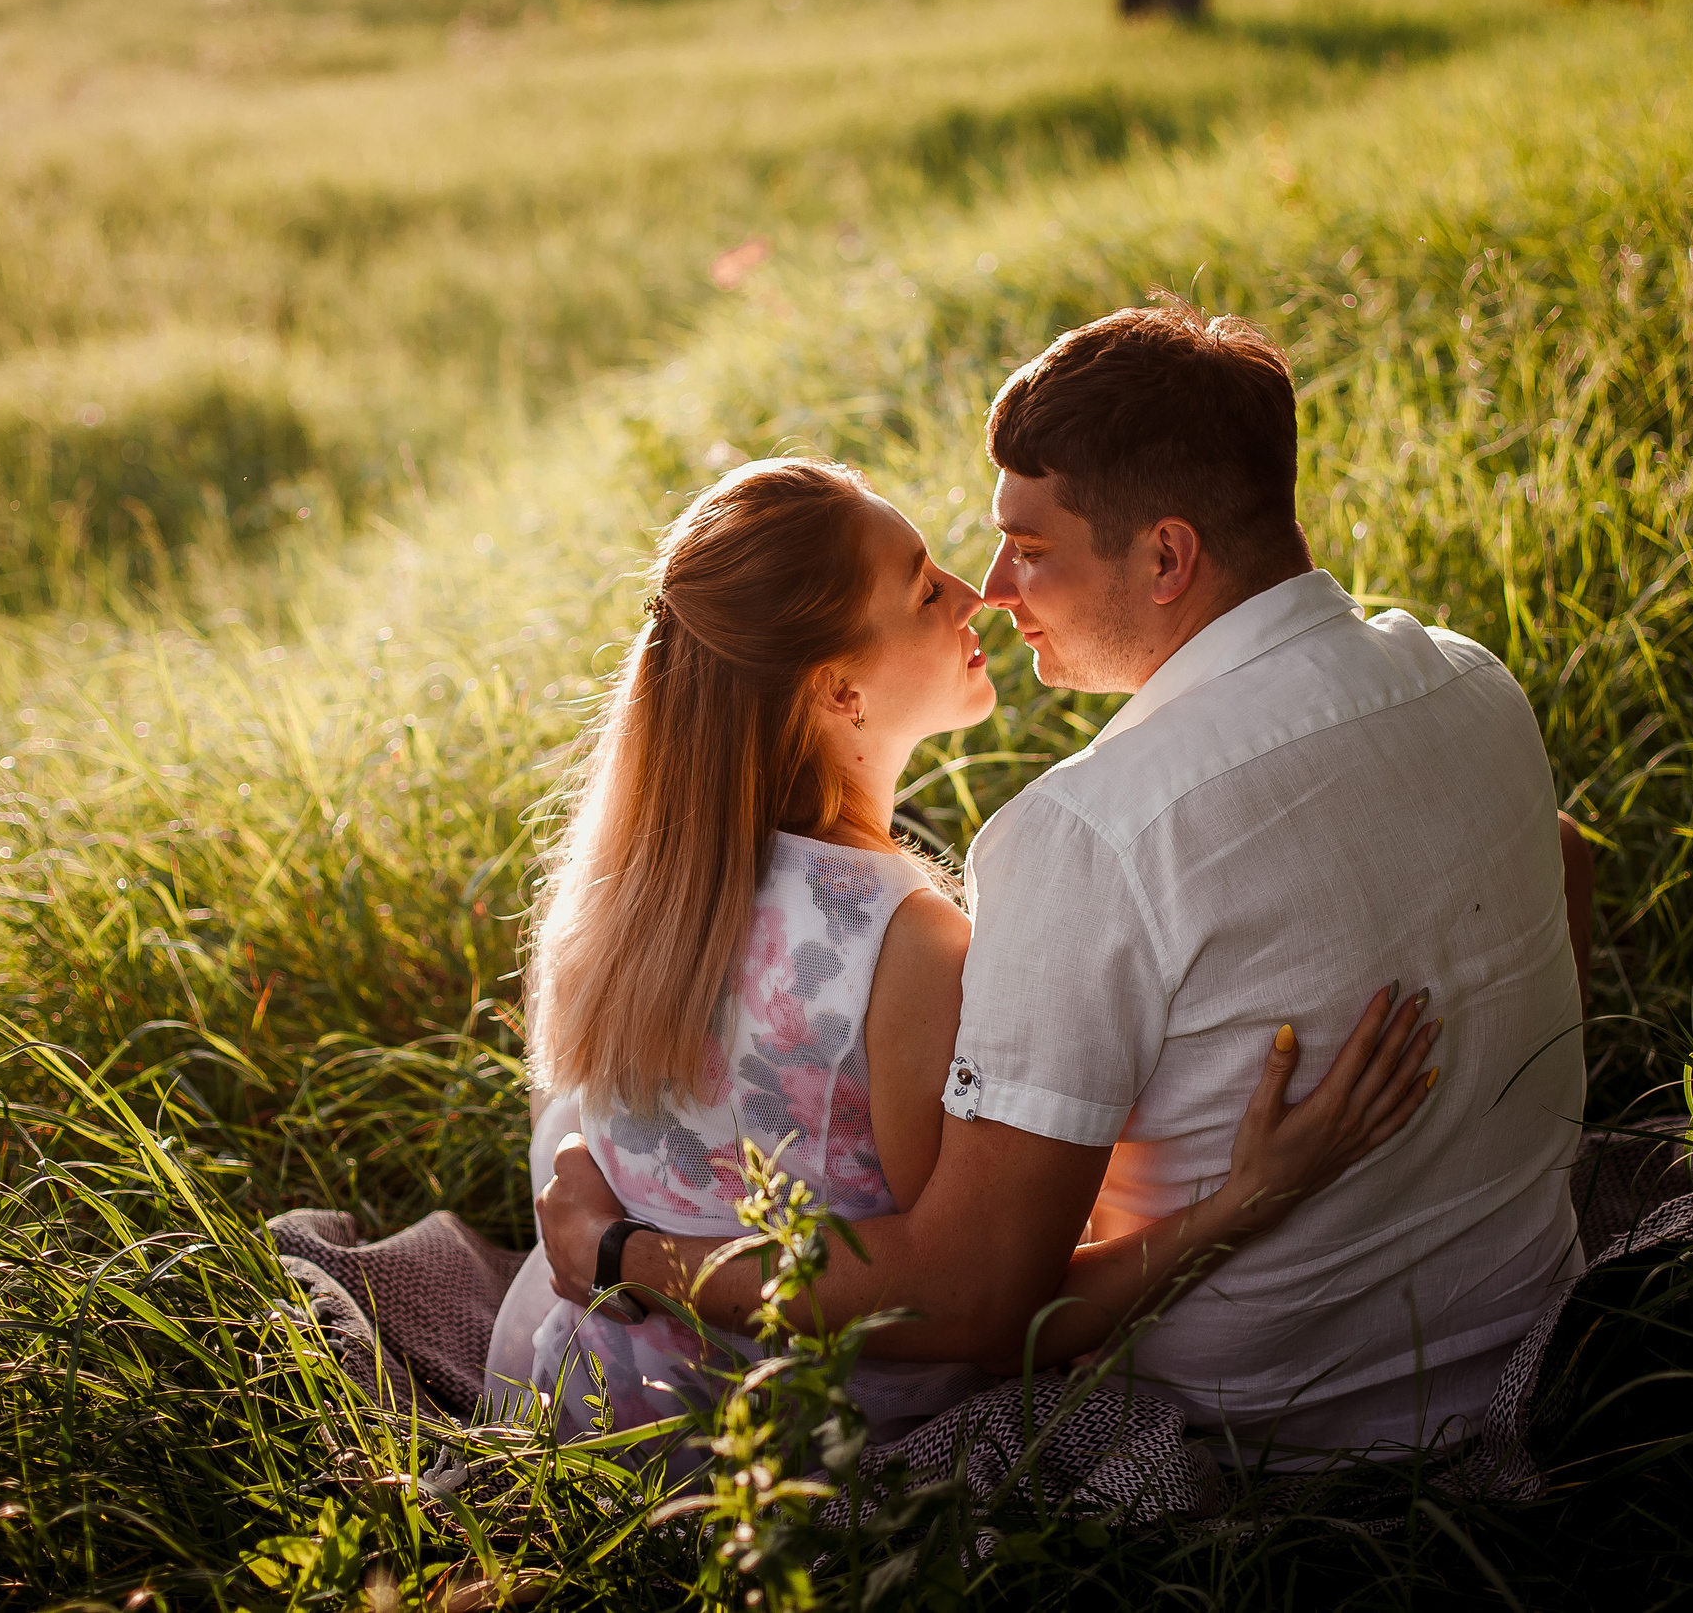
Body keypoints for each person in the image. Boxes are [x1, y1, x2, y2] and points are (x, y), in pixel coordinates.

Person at [539, 300, 1594, 1468]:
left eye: (1029, 549)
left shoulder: (1085, 837)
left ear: (1164, 556)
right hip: (1532, 1323)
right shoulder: (1473, 683)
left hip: (1260, 1429)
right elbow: (1564, 858)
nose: (992, 587)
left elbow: (985, 1306)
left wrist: (622, 1254)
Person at [483, 456, 1443, 1445]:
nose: (973, 595)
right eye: (921, 585)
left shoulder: (637, 886)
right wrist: (1243, 1200)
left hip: (581, 1404)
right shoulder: (902, 944)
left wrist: (613, 1238)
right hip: (785, 1463)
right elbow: (990, 1317)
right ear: (839, 692)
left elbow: (591, 1145)